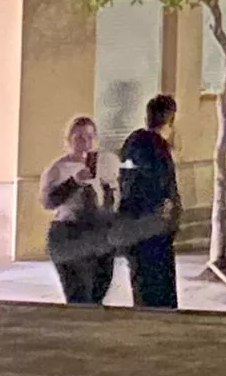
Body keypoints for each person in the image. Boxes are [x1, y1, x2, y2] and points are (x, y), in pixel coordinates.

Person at [40, 115, 118, 305]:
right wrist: (74, 182)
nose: (86, 144)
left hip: (99, 232)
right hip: (70, 232)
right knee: (79, 293)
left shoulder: (105, 162)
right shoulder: (59, 168)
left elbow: (112, 196)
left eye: (90, 138)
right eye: (79, 138)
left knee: (98, 289)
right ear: (69, 141)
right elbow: (48, 201)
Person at [117, 93, 181, 309]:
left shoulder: (132, 144)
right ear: (170, 120)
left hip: (133, 227)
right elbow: (166, 190)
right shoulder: (159, 150)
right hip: (155, 232)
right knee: (160, 291)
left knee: (141, 287)